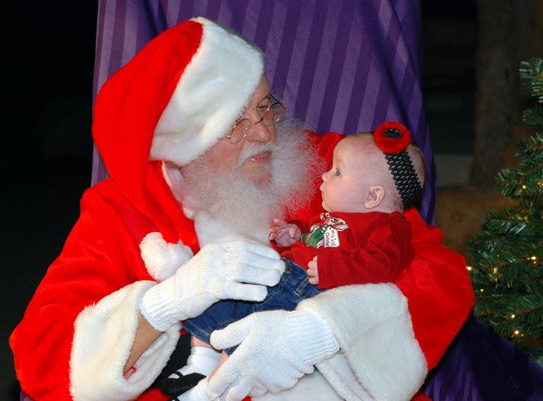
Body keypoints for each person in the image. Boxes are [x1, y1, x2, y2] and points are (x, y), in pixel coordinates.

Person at [10, 17, 474, 401]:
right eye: (237, 122)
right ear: (185, 143)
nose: (266, 134)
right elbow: (42, 357)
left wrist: (323, 333)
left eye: (266, 107)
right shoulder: (118, 212)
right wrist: (166, 304)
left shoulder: (328, 166)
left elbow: (441, 273)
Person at [162, 122, 426, 401]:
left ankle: (209, 392)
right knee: (218, 299)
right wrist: (293, 234)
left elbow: (383, 264)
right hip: (280, 274)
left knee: (250, 341)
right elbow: (313, 236)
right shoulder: (332, 217)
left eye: (337, 172)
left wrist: (332, 269)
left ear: (373, 196)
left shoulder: (388, 226)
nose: (325, 175)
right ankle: (200, 364)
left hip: (305, 292)